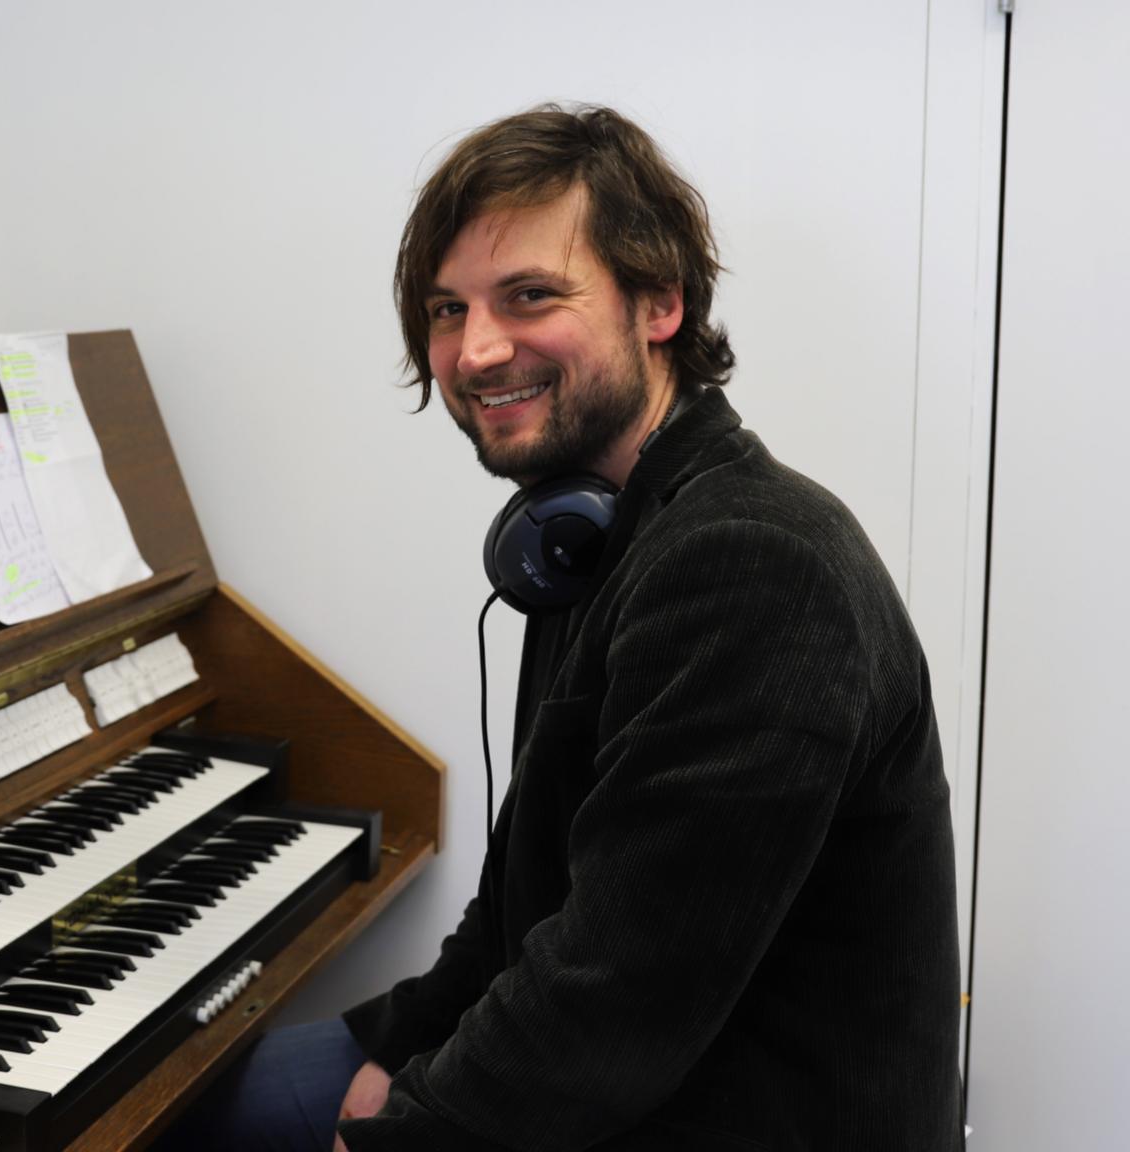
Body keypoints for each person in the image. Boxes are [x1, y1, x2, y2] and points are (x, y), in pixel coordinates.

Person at [158, 104, 964, 1151]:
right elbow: (524, 907)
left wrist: (400, 1129)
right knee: (181, 1105)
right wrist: (393, 1045)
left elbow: (614, 993)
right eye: (447, 309)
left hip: (717, 1111)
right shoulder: (587, 537)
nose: (475, 349)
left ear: (657, 303)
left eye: (528, 296)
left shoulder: (751, 568)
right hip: (611, 1065)